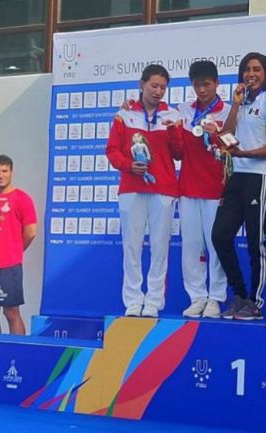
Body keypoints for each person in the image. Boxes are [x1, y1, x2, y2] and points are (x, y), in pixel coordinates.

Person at [106, 64, 181, 318]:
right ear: (142, 84)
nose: (158, 91)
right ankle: (133, 300)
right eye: (153, 86)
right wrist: (129, 165)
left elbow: (179, 153)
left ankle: (154, 301)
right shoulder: (124, 115)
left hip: (164, 188)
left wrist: (173, 131)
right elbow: (112, 150)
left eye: (162, 87)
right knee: (132, 246)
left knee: (160, 246)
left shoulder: (172, 114)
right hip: (131, 187)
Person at [211, 52, 266, 321]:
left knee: (256, 241)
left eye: (257, 69)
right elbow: (225, 137)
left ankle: (255, 301)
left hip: (260, 176)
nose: (251, 74)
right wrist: (235, 105)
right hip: (236, 177)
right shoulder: (240, 103)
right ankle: (239, 294)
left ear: (265, 74)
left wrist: (243, 155)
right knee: (220, 235)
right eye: (247, 70)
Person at [173, 61, 231, 319]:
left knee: (216, 245)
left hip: (216, 189)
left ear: (217, 83)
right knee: (191, 245)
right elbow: (175, 147)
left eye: (206, 83)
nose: (202, 89)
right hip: (187, 188)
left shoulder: (229, 111)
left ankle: (216, 298)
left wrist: (217, 135)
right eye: (197, 84)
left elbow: (234, 149)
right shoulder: (183, 111)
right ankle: (196, 296)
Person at [0, 154, 37, 335]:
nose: (0, 175)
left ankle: (18, 352)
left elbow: (31, 231)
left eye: (4, 171)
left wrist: (15, 249)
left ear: (11, 172)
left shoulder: (21, 198)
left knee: (11, 312)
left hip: (9, 265)